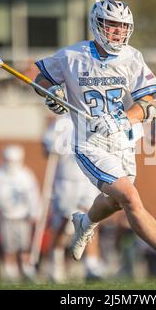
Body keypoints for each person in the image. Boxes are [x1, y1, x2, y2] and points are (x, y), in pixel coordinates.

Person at [24, 0, 156, 277]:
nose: (117, 32)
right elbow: (37, 75)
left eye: (123, 27)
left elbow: (148, 101)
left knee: (114, 201)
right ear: (97, 24)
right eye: (112, 26)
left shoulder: (132, 57)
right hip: (90, 143)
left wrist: (122, 118)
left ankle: (85, 222)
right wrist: (51, 93)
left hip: (122, 141)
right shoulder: (71, 56)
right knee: (130, 197)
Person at [43, 114, 105, 282]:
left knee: (92, 220)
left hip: (87, 179)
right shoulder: (61, 121)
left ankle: (91, 265)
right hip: (66, 180)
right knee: (62, 223)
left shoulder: (91, 117)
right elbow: (48, 147)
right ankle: (56, 265)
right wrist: (54, 142)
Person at [0, 145, 41, 281]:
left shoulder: (26, 175)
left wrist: (35, 213)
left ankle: (26, 269)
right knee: (8, 247)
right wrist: (0, 203)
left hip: (23, 218)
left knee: (25, 246)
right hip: (6, 218)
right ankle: (10, 271)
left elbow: (33, 195)